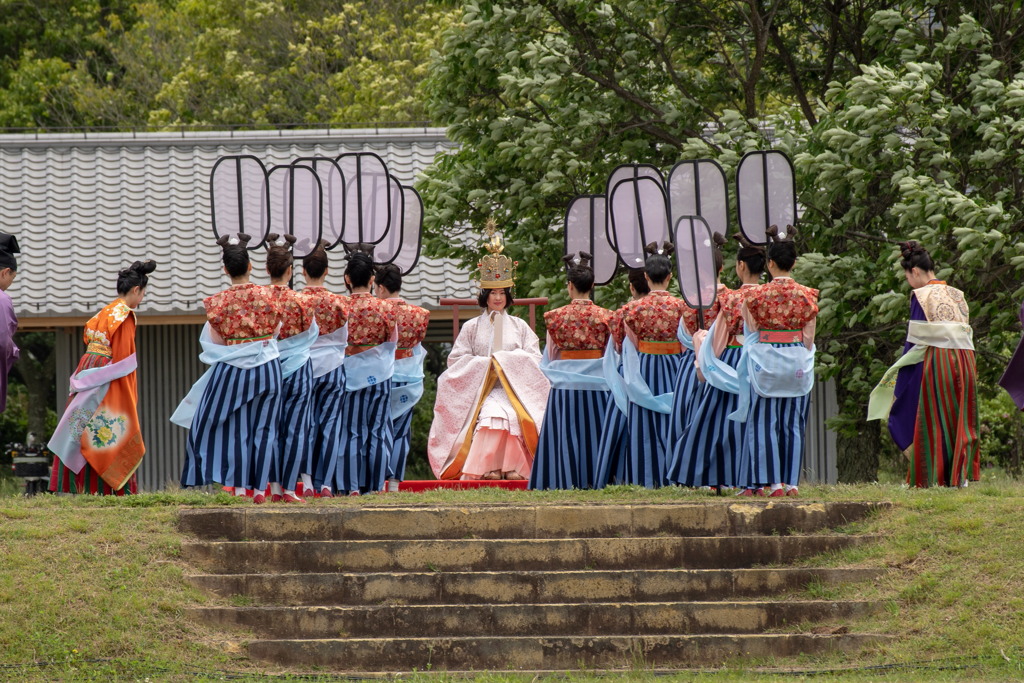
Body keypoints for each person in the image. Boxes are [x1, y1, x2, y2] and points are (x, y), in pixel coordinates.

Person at [428, 221, 549, 481]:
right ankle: (489, 467)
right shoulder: (472, 327)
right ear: (485, 295)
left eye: (502, 293)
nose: (497, 298)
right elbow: (456, 361)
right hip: (481, 392)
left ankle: (514, 467)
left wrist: (507, 363)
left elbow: (536, 360)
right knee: (492, 416)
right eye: (493, 293)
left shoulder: (520, 326)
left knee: (513, 417)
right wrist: (485, 366)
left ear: (508, 295)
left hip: (515, 391)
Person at [177, 234, 283, 504]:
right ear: (250, 266)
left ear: (225, 269)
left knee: (231, 426)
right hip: (269, 366)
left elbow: (216, 340)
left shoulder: (216, 303)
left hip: (233, 367)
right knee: (265, 428)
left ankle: (236, 487)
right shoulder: (271, 296)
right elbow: (277, 330)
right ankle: (260, 490)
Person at [869, 241, 979, 488]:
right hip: (965, 360)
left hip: (936, 359)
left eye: (908, 276)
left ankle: (929, 476)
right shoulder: (957, 295)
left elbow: (916, 342)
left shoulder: (921, 296)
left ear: (915, 272)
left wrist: (903, 377)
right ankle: (957, 477)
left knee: (928, 415)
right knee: (956, 415)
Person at [49, 260, 157, 495]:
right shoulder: (125, 315)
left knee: (79, 423)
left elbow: (89, 343)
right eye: (143, 294)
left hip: (88, 368)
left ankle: (76, 484)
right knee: (108, 426)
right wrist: (128, 394)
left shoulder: (104, 312)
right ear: (136, 289)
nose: (141, 300)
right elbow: (124, 360)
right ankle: (109, 488)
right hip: (107, 374)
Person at [671, 233, 766, 494]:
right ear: (724, 267)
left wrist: (705, 356)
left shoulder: (693, 302)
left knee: (710, 419)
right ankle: (759, 477)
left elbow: (683, 336)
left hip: (715, 358)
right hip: (757, 359)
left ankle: (710, 474)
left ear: (740, 266)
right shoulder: (751, 296)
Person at [733, 226, 818, 497]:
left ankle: (773, 483)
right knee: (793, 422)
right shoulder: (808, 295)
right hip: (795, 358)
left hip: (766, 359)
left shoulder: (754, 296)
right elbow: (809, 335)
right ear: (793, 262)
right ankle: (792, 481)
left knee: (765, 421)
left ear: (769, 263)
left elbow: (751, 327)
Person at [606, 242, 688, 488]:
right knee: (676, 417)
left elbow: (621, 345)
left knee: (644, 418)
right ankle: (676, 475)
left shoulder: (631, 309)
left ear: (645, 276)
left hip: (645, 365)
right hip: (675, 364)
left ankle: (645, 477)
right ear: (670, 276)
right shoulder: (683, 307)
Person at [530, 252, 613, 490]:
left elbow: (551, 355)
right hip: (598, 386)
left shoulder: (555, 318)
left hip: (565, 387)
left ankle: (562, 481)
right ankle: (598, 480)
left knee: (565, 436)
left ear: (569, 286)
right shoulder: (607, 317)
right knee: (596, 435)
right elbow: (611, 354)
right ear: (592, 285)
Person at [330, 243, 397, 496]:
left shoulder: (338, 306)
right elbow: (393, 341)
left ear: (347, 278)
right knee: (377, 430)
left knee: (351, 430)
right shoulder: (388, 308)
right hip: (379, 373)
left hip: (347, 373)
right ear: (372, 279)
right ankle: (375, 485)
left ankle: (350, 486)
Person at [665, 233, 729, 487]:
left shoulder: (688, 303)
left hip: (693, 367)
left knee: (690, 417)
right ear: (723, 268)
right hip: (726, 365)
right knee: (722, 419)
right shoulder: (731, 299)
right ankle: (723, 473)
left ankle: (690, 473)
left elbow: (682, 335)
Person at [264, 234, 317, 502]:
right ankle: (288, 488)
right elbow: (312, 334)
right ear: (290, 270)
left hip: (267, 366)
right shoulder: (303, 301)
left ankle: (272, 487)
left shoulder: (259, 298)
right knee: (296, 428)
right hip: (298, 367)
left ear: (266, 269)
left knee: (270, 425)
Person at [296, 240, 350, 498]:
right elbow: (345, 338)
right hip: (332, 365)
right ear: (327, 270)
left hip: (302, 363)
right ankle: (326, 483)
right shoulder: (340, 303)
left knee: (305, 423)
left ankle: (306, 482)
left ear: (303, 271)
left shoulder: (296, 301)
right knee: (330, 423)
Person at [375, 262, 430, 490]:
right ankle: (395, 481)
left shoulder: (376, 310)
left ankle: (376, 478)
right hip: (408, 374)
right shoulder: (419, 314)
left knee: (376, 427)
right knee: (401, 430)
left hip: (379, 374)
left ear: (380, 288)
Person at [592, 267, 648, 488]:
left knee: (625, 419)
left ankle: (624, 473)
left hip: (630, 373)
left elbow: (616, 347)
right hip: (666, 369)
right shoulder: (678, 308)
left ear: (632, 287)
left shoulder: (623, 313)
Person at [0, 233, 20, 413]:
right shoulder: (1, 299)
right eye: (11, 279)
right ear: (5, 272)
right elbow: (3, 342)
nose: (9, 284)